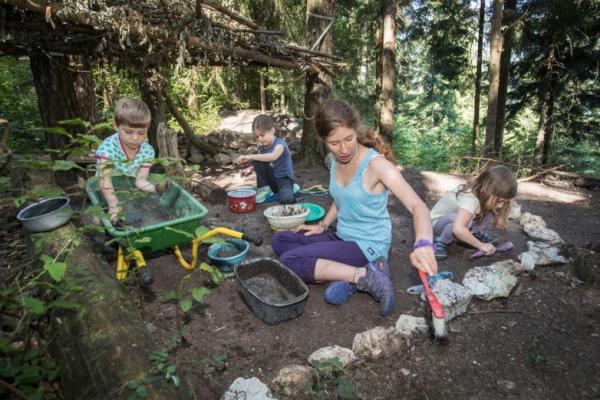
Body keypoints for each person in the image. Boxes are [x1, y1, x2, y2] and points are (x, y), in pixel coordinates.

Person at [271, 100, 438, 317]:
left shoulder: (376, 165)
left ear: (355, 130)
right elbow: (341, 198)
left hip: (368, 244)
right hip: (342, 236)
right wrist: (323, 225)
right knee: (281, 240)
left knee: (289, 261)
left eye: (349, 139)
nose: (343, 149)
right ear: (323, 140)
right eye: (334, 143)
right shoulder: (333, 160)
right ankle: (348, 275)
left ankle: (365, 275)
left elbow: (418, 206)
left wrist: (424, 243)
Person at [94, 98, 163, 223]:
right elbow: (104, 179)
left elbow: (140, 181)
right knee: (98, 219)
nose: (135, 138)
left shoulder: (147, 151)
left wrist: (156, 188)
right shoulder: (108, 147)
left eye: (141, 133)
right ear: (116, 126)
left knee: (137, 216)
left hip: (129, 191)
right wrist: (113, 204)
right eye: (128, 132)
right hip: (105, 190)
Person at [430, 166, 518, 260]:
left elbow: (510, 200)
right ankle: (441, 242)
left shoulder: (484, 194)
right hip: (437, 224)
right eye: (500, 201)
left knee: (491, 210)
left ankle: (473, 232)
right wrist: (481, 246)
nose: (501, 205)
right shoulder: (470, 200)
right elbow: (458, 228)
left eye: (503, 202)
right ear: (488, 190)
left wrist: (502, 216)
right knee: (465, 223)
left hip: (457, 221)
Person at [236, 114, 296, 204]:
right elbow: (262, 162)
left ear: (272, 130)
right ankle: (264, 189)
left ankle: (290, 188)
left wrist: (250, 156)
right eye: (257, 136)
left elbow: (272, 156)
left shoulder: (280, 144)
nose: (260, 139)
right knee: (258, 158)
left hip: (283, 179)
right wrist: (250, 168)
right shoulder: (262, 147)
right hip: (271, 179)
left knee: (287, 200)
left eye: (262, 135)